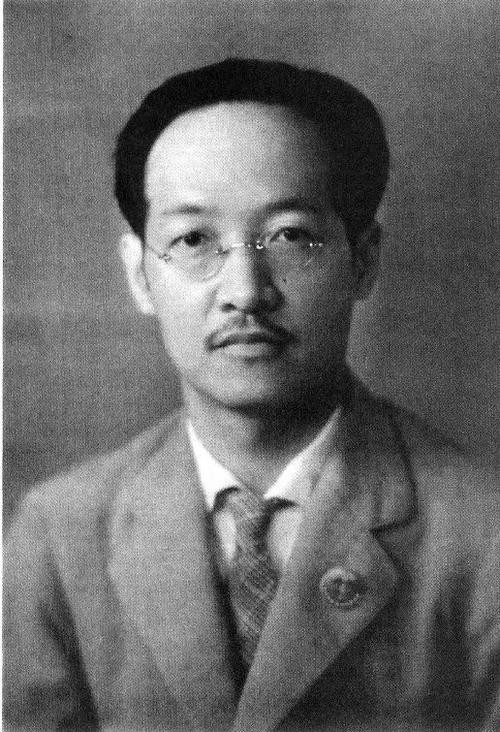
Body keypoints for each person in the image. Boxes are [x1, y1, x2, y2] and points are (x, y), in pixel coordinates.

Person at [4, 58, 499, 732]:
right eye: (193, 240)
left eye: (291, 236)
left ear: (363, 260)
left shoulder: (480, 531)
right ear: (140, 275)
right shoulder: (59, 534)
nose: (245, 291)